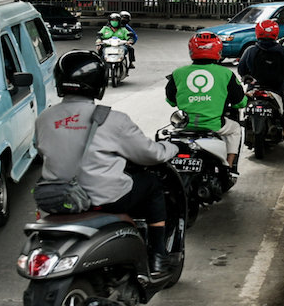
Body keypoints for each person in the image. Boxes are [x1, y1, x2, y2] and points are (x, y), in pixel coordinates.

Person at [35, 50, 179, 278]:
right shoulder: (113, 119)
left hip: (57, 201)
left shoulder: (44, 118)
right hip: (106, 200)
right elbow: (150, 155)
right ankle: (158, 256)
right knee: (152, 184)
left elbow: (41, 148)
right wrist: (172, 148)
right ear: (98, 83)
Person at [165, 32, 247, 174]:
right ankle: (229, 167)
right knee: (235, 129)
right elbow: (240, 102)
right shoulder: (226, 74)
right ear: (218, 50)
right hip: (214, 125)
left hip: (183, 125)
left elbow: (171, 101)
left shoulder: (178, 73)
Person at [237, 19, 284, 127]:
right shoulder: (282, 51)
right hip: (276, 89)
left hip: (254, 88)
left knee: (244, 110)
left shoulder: (250, 50)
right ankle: (283, 126)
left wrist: (248, 77)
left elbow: (241, 69)